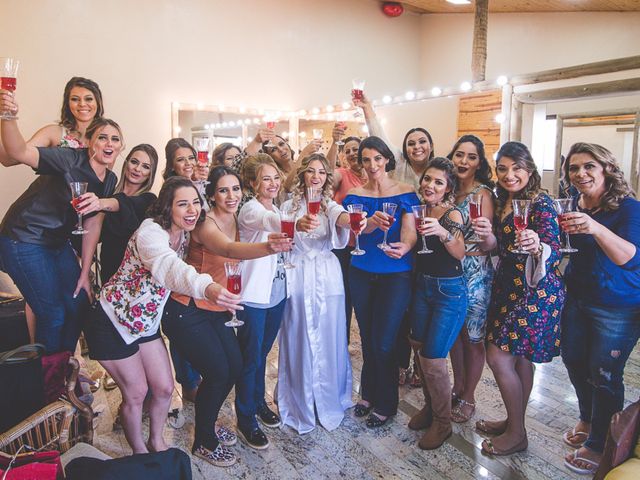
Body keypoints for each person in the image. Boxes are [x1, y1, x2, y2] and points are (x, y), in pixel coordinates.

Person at [84, 177, 242, 455]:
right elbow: (168, 266)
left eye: (195, 202)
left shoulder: (184, 232)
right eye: (183, 204)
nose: (192, 209)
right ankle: (140, 453)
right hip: (112, 321)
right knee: (136, 393)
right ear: (167, 208)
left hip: (144, 323)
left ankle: (156, 441)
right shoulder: (151, 232)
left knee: (165, 388)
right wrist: (207, 287)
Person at [166, 166, 291, 466]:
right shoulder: (205, 222)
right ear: (210, 195)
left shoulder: (234, 216)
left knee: (234, 366)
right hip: (189, 307)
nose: (231, 195)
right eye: (223, 190)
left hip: (219, 306)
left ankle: (208, 424)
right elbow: (228, 248)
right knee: (219, 371)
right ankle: (204, 442)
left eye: (235, 189)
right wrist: (269, 246)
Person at [0, 91, 118, 354]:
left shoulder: (109, 180)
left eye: (115, 139)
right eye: (102, 137)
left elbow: (93, 226)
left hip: (56, 243)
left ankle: (65, 371)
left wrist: (85, 272)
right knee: (52, 314)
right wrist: (8, 116)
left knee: (78, 305)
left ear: (120, 146)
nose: (108, 143)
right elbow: (18, 151)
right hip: (23, 237)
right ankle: (48, 385)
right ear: (90, 142)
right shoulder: (66, 158)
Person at [474, 141, 564, 456]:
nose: (510, 175)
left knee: (498, 358)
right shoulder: (503, 201)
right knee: (519, 358)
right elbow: (498, 247)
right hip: (507, 286)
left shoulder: (541, 202)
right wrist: (486, 236)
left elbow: (554, 246)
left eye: (516, 168)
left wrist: (538, 244)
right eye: (503, 169)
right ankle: (515, 423)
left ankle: (517, 433)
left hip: (534, 291)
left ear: (529, 169)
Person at [559, 143, 640, 475]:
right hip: (577, 297)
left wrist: (595, 228)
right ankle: (588, 418)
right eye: (574, 168)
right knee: (574, 360)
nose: (581, 174)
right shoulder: (574, 204)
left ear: (606, 168)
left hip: (618, 305)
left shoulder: (629, 208)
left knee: (604, 374)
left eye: (589, 166)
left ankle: (600, 443)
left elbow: (630, 258)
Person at [277, 153, 365, 434]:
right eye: (311, 171)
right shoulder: (288, 207)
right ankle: (300, 397)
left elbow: (340, 219)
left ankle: (329, 396)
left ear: (328, 178)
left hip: (327, 275)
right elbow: (283, 238)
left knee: (330, 334)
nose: (316, 176)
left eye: (322, 172)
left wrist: (351, 221)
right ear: (302, 174)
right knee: (299, 333)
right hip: (300, 272)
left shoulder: (330, 205)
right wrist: (296, 225)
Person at [342, 136, 418, 428]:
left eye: (377, 158)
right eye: (365, 159)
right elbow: (352, 236)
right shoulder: (354, 196)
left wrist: (406, 247)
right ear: (360, 163)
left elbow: (410, 231)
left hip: (395, 274)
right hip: (361, 270)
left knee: (385, 341)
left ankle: (386, 402)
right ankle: (367, 394)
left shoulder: (406, 193)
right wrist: (368, 223)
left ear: (387, 159)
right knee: (368, 338)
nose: (372, 165)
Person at [407, 157, 467, 450]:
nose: (430, 185)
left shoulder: (452, 215)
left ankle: (443, 424)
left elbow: (460, 253)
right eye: (428, 179)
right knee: (419, 351)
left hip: (449, 292)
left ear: (448, 188)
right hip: (422, 287)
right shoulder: (418, 209)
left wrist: (442, 233)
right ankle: (431, 409)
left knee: (433, 359)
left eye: (438, 182)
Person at [236, 154, 290, 449]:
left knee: (263, 353)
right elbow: (270, 221)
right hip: (254, 295)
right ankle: (245, 417)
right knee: (250, 357)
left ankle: (257, 401)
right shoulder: (251, 210)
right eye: (265, 179)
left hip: (277, 291)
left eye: (275, 178)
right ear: (253, 184)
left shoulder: (277, 207)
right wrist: (291, 219)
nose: (272, 183)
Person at [446, 135, 495, 424]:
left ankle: (470, 395)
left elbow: (487, 242)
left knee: (473, 338)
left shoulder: (483, 195)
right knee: (455, 336)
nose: (464, 161)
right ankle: (457, 385)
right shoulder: (448, 192)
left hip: (475, 272)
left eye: (471, 157)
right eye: (459, 155)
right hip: (449, 270)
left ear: (479, 163)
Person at [0, 76, 104, 166]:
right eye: (75, 99)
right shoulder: (54, 133)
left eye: (89, 99)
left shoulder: (109, 137)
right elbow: (9, 159)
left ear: (98, 102)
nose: (82, 104)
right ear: (67, 104)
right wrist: (6, 116)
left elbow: (106, 179)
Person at [353, 93, 434, 193]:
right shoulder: (399, 162)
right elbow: (379, 136)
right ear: (405, 149)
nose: (417, 146)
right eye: (411, 144)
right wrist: (367, 107)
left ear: (431, 146)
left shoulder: (437, 169)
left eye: (422, 141)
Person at [330, 134, 366, 342]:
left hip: (367, 246)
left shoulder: (374, 176)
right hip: (344, 246)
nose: (352, 153)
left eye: (356, 149)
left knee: (363, 298)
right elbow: (326, 177)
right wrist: (335, 143)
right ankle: (341, 343)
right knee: (344, 297)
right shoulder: (341, 174)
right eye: (348, 150)